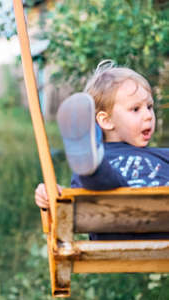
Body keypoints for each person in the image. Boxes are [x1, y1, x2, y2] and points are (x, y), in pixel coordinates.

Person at [34, 60, 169, 240]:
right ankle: (94, 167)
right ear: (106, 121)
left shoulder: (161, 155)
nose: (148, 116)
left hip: (163, 222)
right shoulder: (92, 158)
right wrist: (53, 195)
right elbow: (75, 203)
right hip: (114, 223)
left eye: (149, 107)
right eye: (135, 109)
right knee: (103, 180)